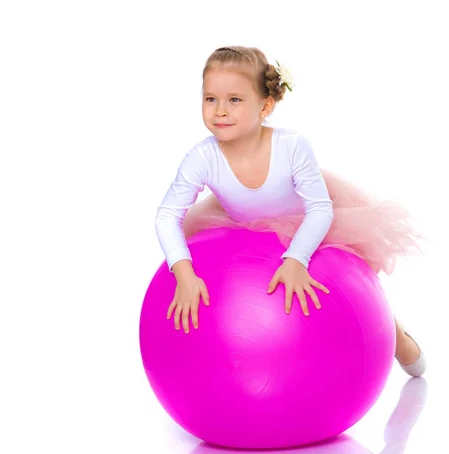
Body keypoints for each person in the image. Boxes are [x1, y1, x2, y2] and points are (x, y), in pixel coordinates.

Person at [154, 46, 426, 377]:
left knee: (355, 298)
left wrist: (297, 258)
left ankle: (399, 340)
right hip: (243, 232)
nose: (220, 111)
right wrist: (184, 274)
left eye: (234, 100)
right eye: (211, 99)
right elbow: (167, 215)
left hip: (307, 227)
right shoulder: (202, 158)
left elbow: (320, 210)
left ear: (265, 105)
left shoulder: (291, 146)